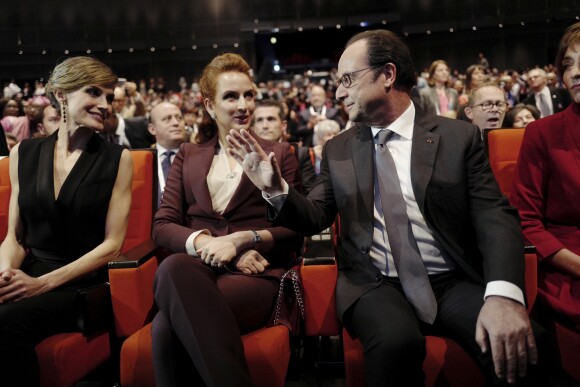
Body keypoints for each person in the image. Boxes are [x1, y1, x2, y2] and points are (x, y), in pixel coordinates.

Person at [228, 29, 558, 386]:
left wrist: (503, 295)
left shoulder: (457, 138)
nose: (339, 92)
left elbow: (494, 217)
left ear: (387, 74)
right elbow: (314, 216)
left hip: (451, 280)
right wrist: (276, 189)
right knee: (395, 344)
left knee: (529, 344)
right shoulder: (339, 149)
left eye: (348, 79)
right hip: (374, 283)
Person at [151, 53, 303, 386]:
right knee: (172, 267)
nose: (244, 104)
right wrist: (210, 243)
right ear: (209, 105)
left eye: (249, 95)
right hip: (201, 269)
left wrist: (244, 240)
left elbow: (295, 228)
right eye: (231, 96)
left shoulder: (279, 154)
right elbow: (162, 225)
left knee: (165, 328)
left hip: (260, 274)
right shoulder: (188, 155)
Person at [0, 56, 133, 386]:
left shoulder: (118, 159)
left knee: (4, 321)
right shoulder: (24, 154)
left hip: (83, 288)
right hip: (31, 272)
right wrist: (4, 275)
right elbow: (14, 237)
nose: (105, 104)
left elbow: (112, 246)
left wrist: (41, 284)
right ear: (61, 94)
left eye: (109, 96)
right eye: (93, 93)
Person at [511, 21, 580, 327]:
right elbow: (526, 222)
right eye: (568, 65)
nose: (575, 72)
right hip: (567, 265)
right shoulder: (542, 133)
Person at [253, 99, 316, 195]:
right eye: (259, 120)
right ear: (253, 127)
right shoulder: (244, 154)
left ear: (283, 125)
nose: (265, 126)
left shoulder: (301, 154)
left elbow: (309, 197)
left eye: (271, 119)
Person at [147, 101, 187, 206]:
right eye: (167, 119)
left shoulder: (199, 157)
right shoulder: (142, 160)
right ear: (152, 129)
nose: (176, 123)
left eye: (179, 118)